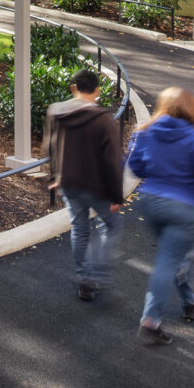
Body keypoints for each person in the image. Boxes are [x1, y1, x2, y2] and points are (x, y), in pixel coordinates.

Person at [125, 86, 194, 345]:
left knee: (174, 256)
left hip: (151, 204)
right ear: (192, 108)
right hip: (187, 210)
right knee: (169, 261)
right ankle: (150, 322)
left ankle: (190, 300)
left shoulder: (145, 132)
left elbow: (135, 167)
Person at [43, 68, 125, 301]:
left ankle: (84, 277)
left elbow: (50, 147)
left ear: (73, 88)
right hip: (97, 186)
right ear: (97, 91)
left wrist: (56, 177)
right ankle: (98, 269)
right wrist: (116, 196)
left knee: (79, 229)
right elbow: (112, 161)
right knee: (111, 226)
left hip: (69, 183)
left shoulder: (56, 112)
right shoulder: (104, 120)